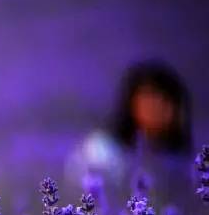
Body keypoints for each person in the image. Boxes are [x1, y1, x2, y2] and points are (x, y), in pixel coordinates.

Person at [66, 60, 193, 198]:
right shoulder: (103, 150)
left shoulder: (177, 157)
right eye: (149, 100)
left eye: (165, 101)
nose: (157, 108)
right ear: (130, 103)